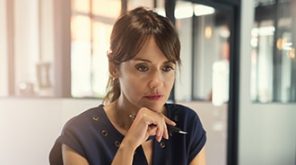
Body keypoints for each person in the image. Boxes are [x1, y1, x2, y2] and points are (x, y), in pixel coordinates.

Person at [49, 7, 206, 165]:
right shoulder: (81, 134)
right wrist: (128, 146)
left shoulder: (186, 124)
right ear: (114, 68)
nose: (157, 82)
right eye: (142, 68)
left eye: (166, 68)